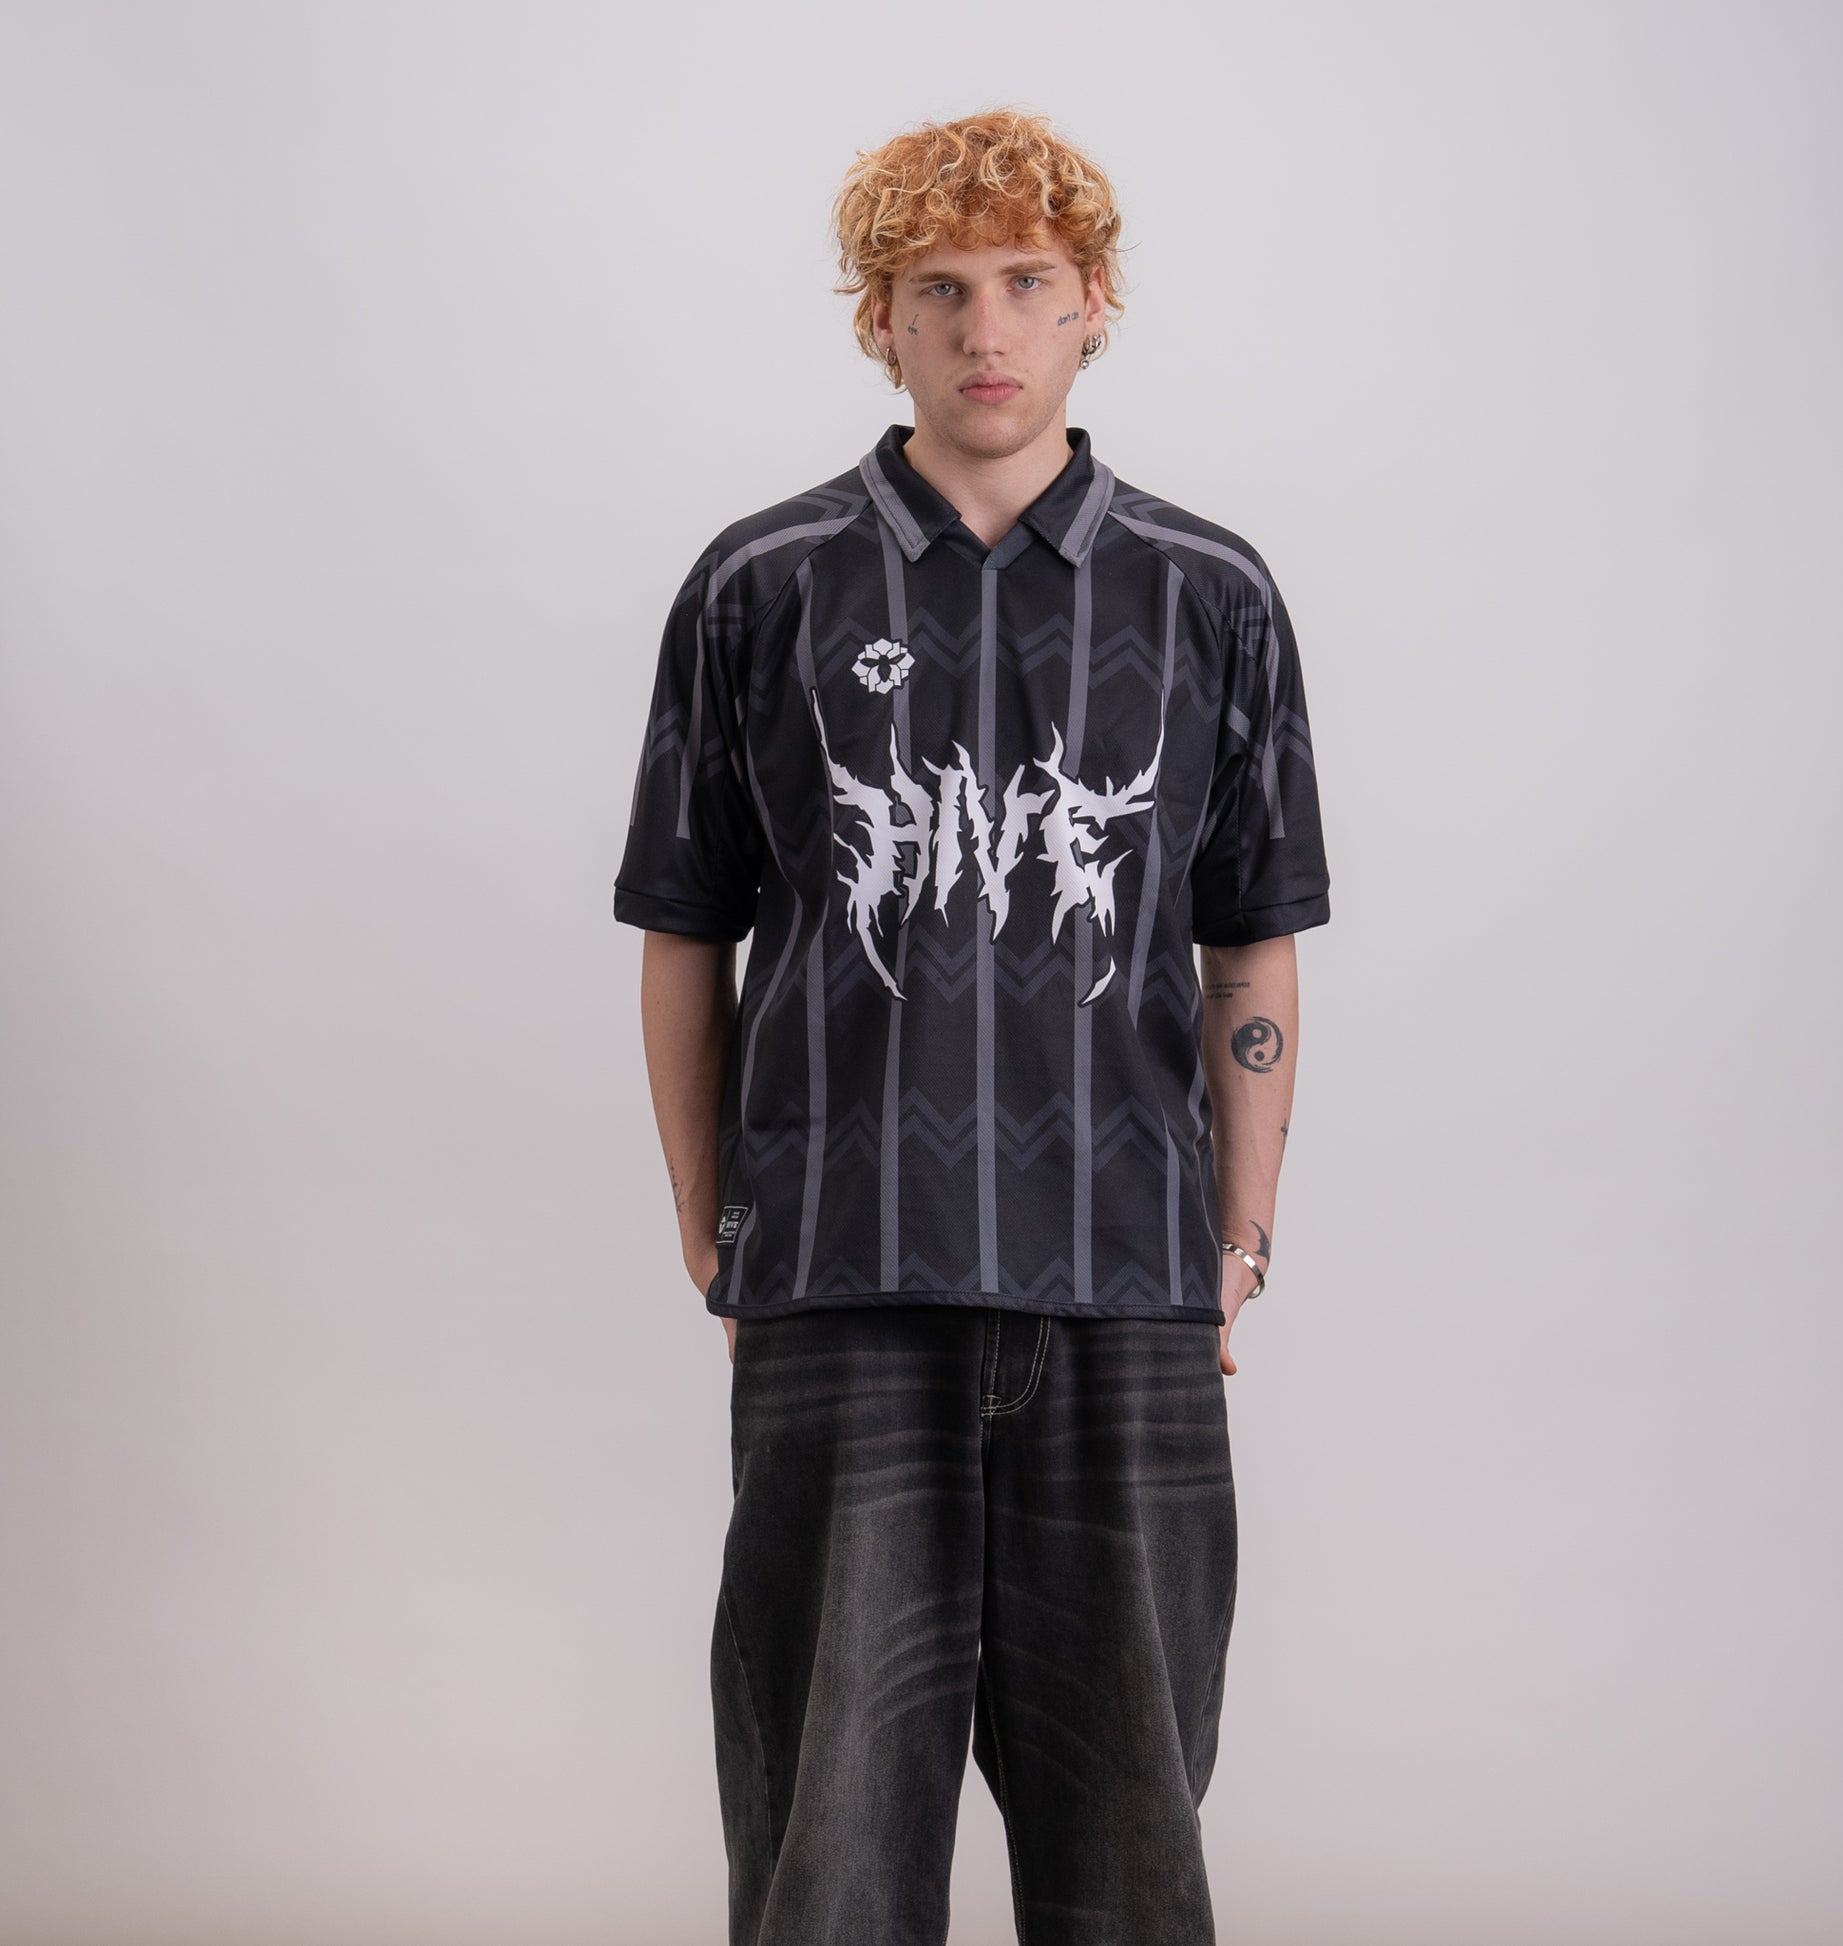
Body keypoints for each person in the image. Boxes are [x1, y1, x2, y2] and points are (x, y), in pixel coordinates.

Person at [613, 106, 1330, 1946]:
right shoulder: (763, 583)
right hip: (843, 1274)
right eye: (935, 289)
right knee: (828, 1851)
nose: (983, 328)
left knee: (1131, 1851)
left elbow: (1247, 945)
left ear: (1094, 302)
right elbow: (686, 928)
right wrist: (713, 1226)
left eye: (1024, 281)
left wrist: (1239, 1235)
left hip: (1125, 1281)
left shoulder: (1208, 591)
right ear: (878, 318)